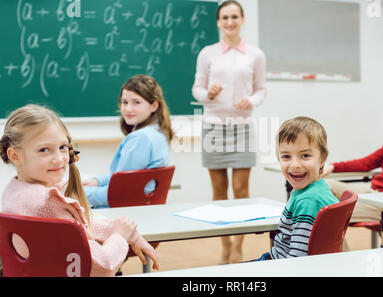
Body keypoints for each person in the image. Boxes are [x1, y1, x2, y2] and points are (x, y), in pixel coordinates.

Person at [0, 104, 159, 276]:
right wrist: (120, 236)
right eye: (44, 150)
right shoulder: (48, 201)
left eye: (62, 147)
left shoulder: (14, 191)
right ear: (15, 156)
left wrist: (129, 232)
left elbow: (79, 227)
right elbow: (104, 265)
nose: (59, 159)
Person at [192, 0, 267, 264]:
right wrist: (207, 94)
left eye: (234, 16)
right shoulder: (208, 53)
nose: (229, 22)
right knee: (219, 191)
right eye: (224, 17)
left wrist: (253, 101)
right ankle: (224, 243)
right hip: (214, 126)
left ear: (242, 19)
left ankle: (239, 244)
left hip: (243, 126)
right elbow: (197, 90)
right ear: (218, 22)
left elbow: (261, 90)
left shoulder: (255, 55)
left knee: (241, 189)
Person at [83, 75, 174, 208]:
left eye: (136, 102)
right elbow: (124, 177)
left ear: (154, 105)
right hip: (140, 207)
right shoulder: (158, 133)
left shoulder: (140, 139)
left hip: (124, 210)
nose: (128, 109)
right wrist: (97, 181)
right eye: (125, 102)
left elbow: (118, 193)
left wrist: (78, 192)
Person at [255, 116, 338, 260]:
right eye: (286, 157)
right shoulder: (318, 188)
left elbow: (298, 259)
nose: (295, 165)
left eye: (305, 155)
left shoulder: (309, 201)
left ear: (322, 159)